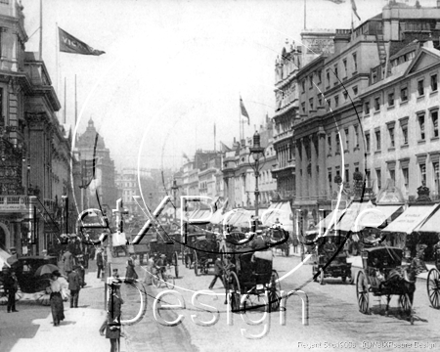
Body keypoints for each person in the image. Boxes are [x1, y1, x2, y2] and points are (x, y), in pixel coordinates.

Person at [99, 279, 124, 352]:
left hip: (114, 322)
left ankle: (101, 329)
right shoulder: (114, 298)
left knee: (114, 344)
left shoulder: (114, 298)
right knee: (114, 345)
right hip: (113, 323)